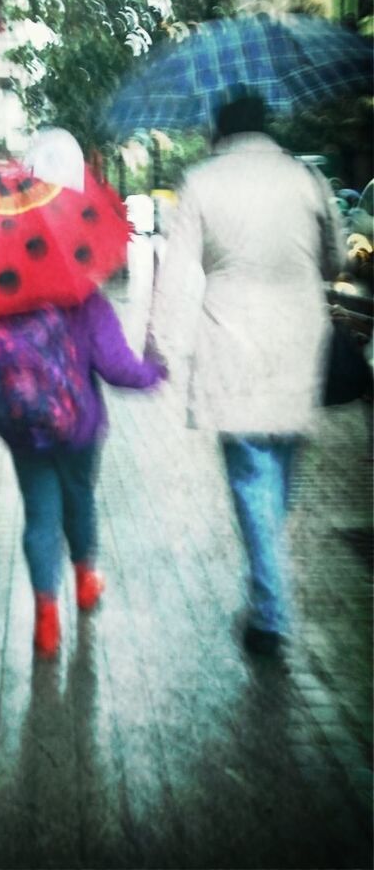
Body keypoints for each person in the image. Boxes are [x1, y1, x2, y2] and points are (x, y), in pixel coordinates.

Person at [147, 92, 345, 658]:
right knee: (276, 472)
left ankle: (270, 611)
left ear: (220, 132)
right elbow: (334, 258)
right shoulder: (306, 179)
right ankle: (266, 589)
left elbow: (176, 270)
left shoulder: (202, 182)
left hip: (233, 345)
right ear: (267, 127)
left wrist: (160, 346)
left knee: (252, 481)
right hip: (302, 343)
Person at [0, 291, 166, 658]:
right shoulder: (86, 301)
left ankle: (46, 619)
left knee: (40, 518)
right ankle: (84, 582)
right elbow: (116, 367)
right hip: (78, 429)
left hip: (24, 435)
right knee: (79, 501)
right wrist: (154, 373)